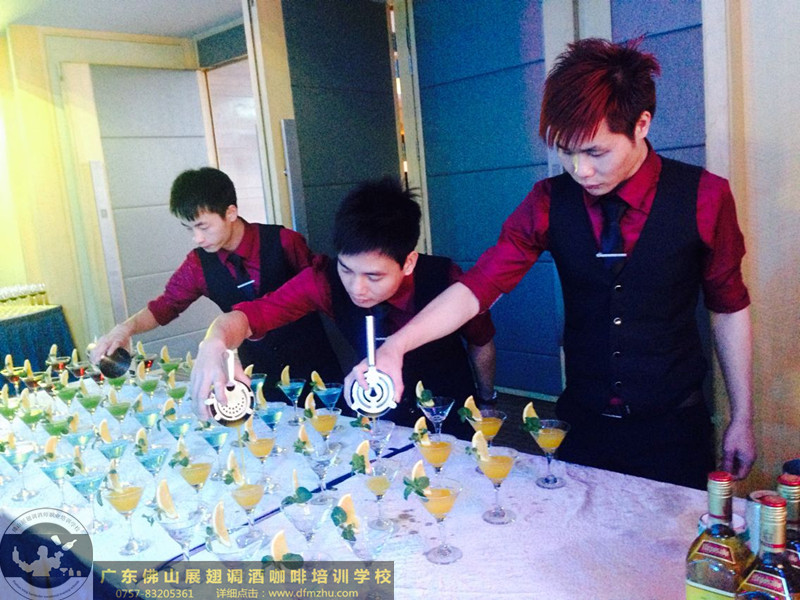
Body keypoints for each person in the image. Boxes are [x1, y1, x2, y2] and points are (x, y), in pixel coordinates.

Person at [347, 38, 756, 489]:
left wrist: (742, 417)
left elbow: (728, 307)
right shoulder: (548, 201)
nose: (580, 170)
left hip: (674, 427)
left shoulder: (705, 196)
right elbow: (479, 286)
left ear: (641, 125)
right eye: (565, 150)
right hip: (582, 423)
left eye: (595, 152)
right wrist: (396, 346)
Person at [190, 176, 496, 439]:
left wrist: (487, 400)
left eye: (373, 276)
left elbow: (481, 342)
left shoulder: (446, 279)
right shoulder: (323, 279)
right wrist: (215, 340)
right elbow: (251, 315)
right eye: (347, 269)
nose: (356, 288)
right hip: (378, 417)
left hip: (448, 411)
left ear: (408, 263)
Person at [90, 167, 342, 399]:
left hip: (316, 366)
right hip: (255, 374)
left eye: (203, 227)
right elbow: (164, 307)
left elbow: (324, 290)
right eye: (189, 229)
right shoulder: (197, 265)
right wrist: (125, 329)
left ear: (230, 213)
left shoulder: (284, 241)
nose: (197, 238)